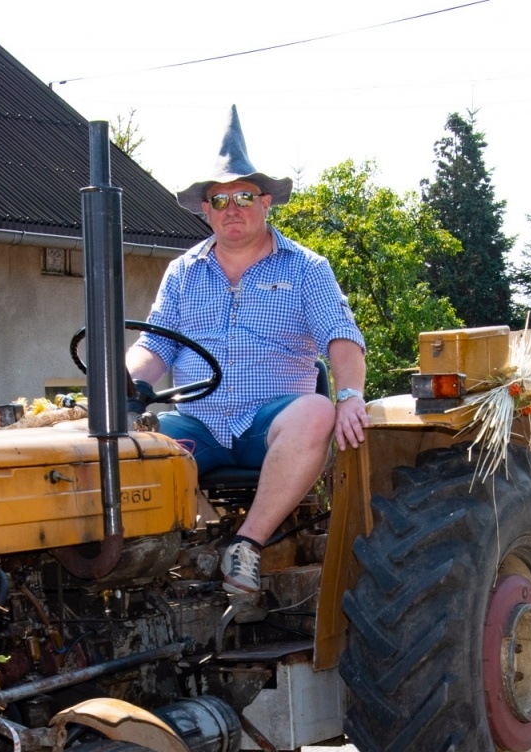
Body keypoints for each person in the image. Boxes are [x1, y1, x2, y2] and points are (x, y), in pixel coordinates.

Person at [126, 107, 368, 605]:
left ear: (265, 203)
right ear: (206, 210)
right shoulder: (183, 273)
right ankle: (131, 570)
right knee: (118, 440)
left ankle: (246, 544)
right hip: (197, 428)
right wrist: (119, 390)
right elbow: (154, 348)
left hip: (269, 428)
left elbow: (341, 337)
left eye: (243, 196)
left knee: (317, 410)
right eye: (220, 199)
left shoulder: (305, 269)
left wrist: (349, 395)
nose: (231, 207)